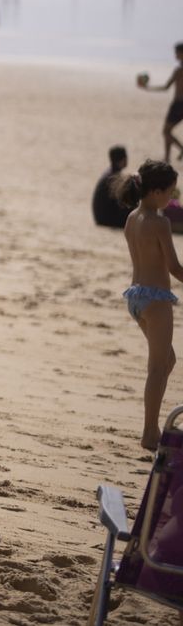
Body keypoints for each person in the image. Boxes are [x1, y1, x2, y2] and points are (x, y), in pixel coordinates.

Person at [118, 160, 183, 450]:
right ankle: (149, 433)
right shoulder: (160, 222)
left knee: (167, 361)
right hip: (156, 300)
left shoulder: (133, 217)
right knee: (158, 368)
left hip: (135, 297)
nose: (174, 196)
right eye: (171, 191)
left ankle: (151, 427)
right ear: (156, 192)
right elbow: (174, 268)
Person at [137, 43, 183, 162]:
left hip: (178, 104)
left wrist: (148, 88)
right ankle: (167, 157)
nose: (175, 55)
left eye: (177, 52)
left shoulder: (179, 70)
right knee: (167, 131)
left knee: (165, 131)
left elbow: (166, 87)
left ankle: (180, 149)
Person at [94, 146, 130, 229]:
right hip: (106, 219)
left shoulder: (110, 173)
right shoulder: (114, 176)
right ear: (123, 159)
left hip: (100, 217)